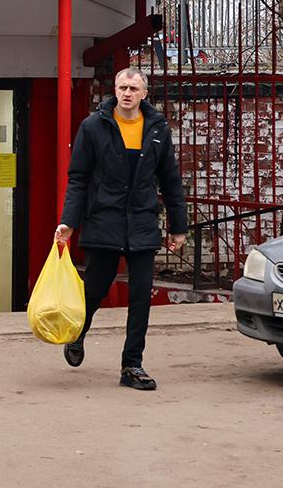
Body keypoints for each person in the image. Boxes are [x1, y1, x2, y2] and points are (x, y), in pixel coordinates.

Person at [54, 67, 187, 391]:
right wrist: (69, 221)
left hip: (142, 222)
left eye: (133, 88)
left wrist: (178, 227)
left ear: (144, 94)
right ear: (115, 90)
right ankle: (77, 334)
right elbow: (78, 178)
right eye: (122, 87)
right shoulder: (94, 126)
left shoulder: (156, 129)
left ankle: (132, 365)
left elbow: (170, 180)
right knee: (95, 289)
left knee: (141, 296)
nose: (127, 93)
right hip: (104, 220)